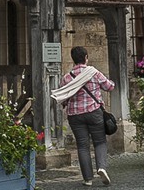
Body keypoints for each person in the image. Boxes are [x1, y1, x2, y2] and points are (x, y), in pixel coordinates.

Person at [52, 46, 114, 187]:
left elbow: (64, 97)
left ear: (73, 59)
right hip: (94, 112)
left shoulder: (67, 77)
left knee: (82, 146)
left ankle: (87, 179)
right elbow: (109, 87)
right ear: (86, 57)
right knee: (99, 141)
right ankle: (101, 167)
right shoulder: (94, 73)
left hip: (75, 115)